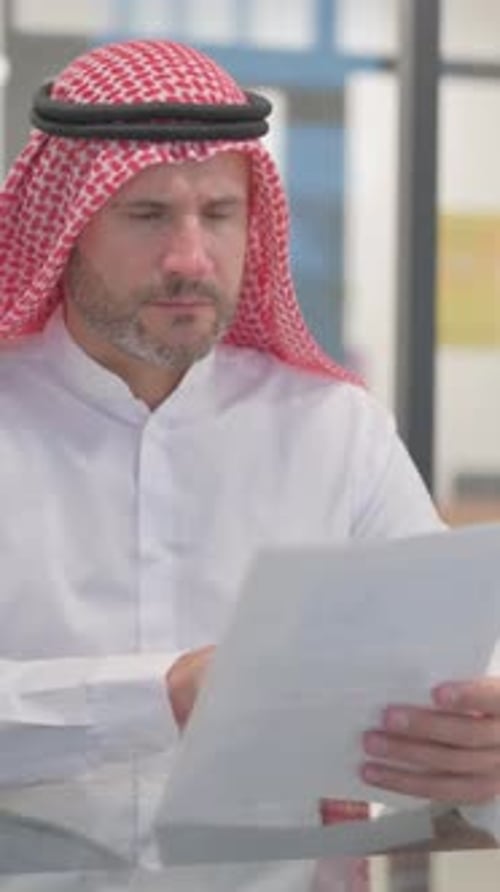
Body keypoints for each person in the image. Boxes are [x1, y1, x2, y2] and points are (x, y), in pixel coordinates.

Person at [0, 37, 499, 888]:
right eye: (148, 214)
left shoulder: (335, 433)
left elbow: (459, 671)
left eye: (219, 215)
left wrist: (479, 740)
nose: (190, 259)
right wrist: (161, 696)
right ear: (70, 226)